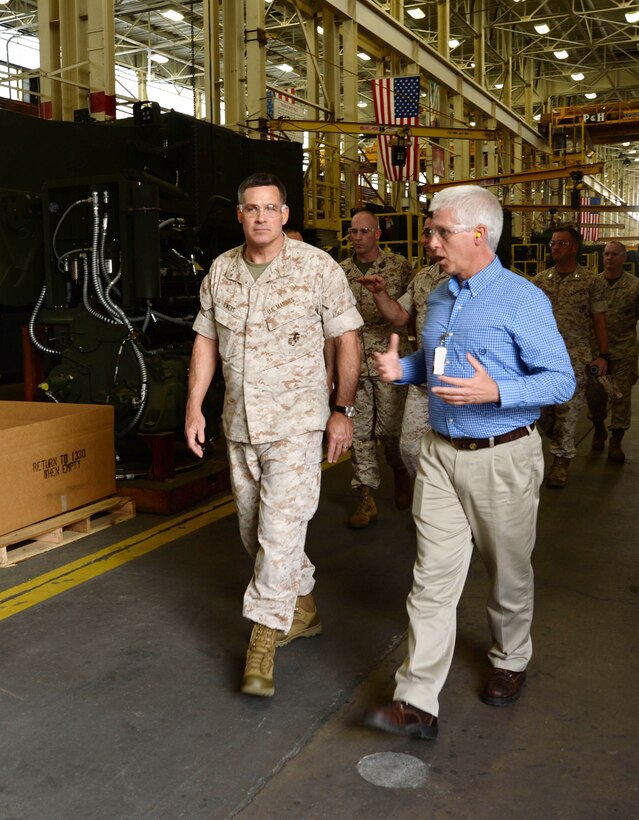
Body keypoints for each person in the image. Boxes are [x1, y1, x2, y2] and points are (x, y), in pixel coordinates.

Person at [363, 185, 575, 740]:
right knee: (431, 579)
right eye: (432, 231)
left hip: (502, 454)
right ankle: (416, 701)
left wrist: (495, 391)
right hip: (438, 454)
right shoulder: (437, 296)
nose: (430, 242)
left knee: (507, 572)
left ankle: (510, 658)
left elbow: (561, 380)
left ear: (478, 234)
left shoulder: (523, 298)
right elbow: (434, 365)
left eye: (439, 232)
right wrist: (401, 371)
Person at [185, 173, 362, 698]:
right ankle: (302, 610)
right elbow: (204, 341)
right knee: (254, 531)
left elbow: (347, 338)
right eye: (251, 208)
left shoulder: (316, 268)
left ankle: (262, 640)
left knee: (279, 534)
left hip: (297, 424)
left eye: (270, 208)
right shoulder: (220, 271)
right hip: (239, 425)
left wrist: (342, 409)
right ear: (239, 215)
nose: (261, 216)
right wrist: (194, 406)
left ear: (284, 214)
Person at [356, 213, 448, 479]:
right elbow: (399, 315)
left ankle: (447, 508)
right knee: (409, 447)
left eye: (428, 233)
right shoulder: (424, 278)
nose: (422, 240)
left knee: (453, 448)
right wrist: (380, 294)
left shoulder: (467, 278)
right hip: (424, 379)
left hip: (457, 381)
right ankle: (432, 499)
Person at [340, 208, 413, 528]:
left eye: (363, 232)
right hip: (354, 362)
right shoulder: (340, 271)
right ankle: (366, 496)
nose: (357, 238)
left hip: (389, 361)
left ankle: (399, 470)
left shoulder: (398, 267)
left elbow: (409, 313)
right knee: (360, 433)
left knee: (391, 431)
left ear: (377, 234)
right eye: (353, 232)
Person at [533, 227, 609, 488]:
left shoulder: (591, 281)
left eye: (561, 243)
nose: (555, 247)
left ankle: (561, 461)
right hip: (542, 357)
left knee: (568, 410)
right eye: (553, 243)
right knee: (542, 412)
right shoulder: (540, 280)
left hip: (575, 357)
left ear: (575, 247)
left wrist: (603, 356)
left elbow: (599, 319)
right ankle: (560, 444)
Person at [586, 241, 639, 462]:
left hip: (624, 351)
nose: (610, 258)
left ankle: (616, 440)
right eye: (607, 254)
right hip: (595, 352)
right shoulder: (592, 284)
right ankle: (599, 427)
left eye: (615, 254)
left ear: (624, 258)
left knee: (621, 397)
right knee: (595, 396)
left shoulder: (635, 286)